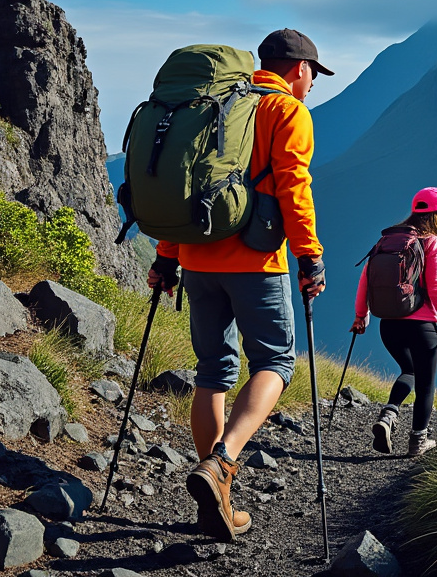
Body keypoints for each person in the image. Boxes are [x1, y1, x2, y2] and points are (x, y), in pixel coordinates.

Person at [148, 28, 332, 541]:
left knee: (213, 370)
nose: (312, 84)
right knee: (275, 361)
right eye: (314, 74)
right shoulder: (286, 111)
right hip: (256, 260)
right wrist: (310, 256)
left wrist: (166, 258)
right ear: (298, 69)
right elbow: (294, 184)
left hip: (195, 257)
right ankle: (223, 463)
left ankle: (219, 499)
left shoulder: (213, 104)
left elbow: (183, 183)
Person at [352, 187, 437, 456]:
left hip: (388, 325)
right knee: (425, 383)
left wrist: (360, 316)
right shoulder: (431, 243)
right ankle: (418, 441)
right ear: (436, 214)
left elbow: (365, 281)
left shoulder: (388, 241)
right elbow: (436, 288)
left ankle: (388, 416)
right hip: (422, 327)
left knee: (409, 370)